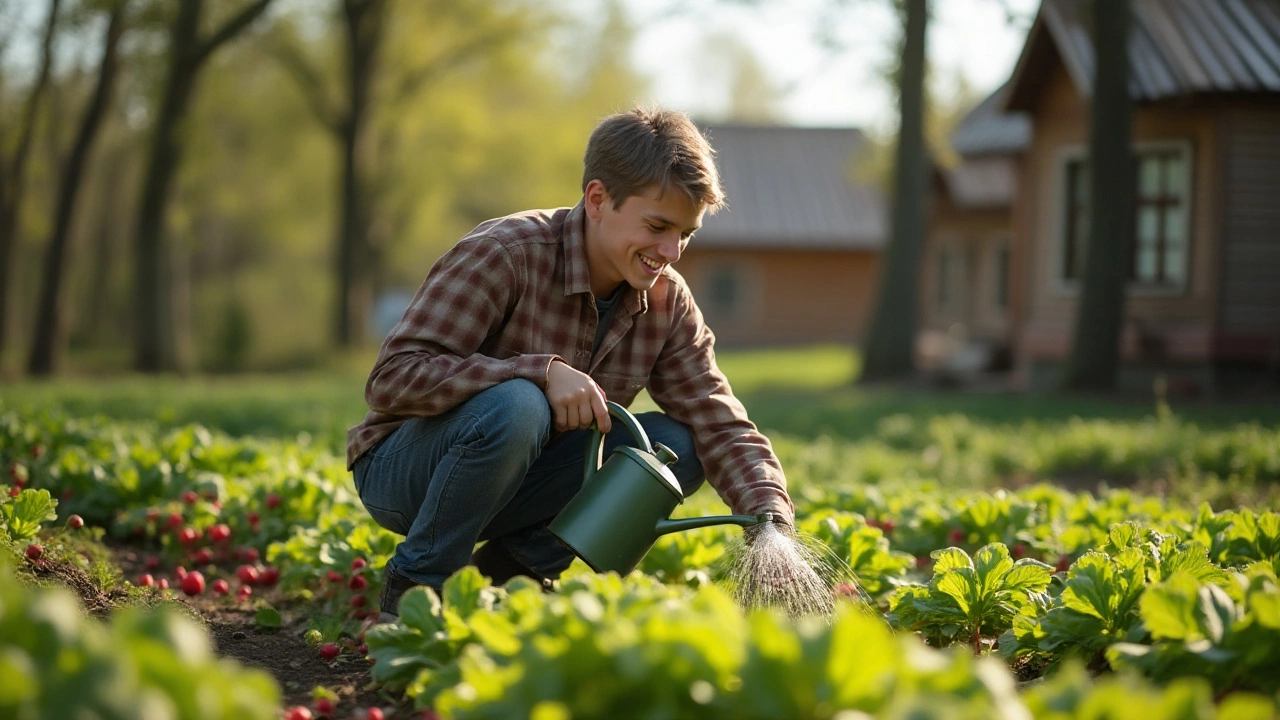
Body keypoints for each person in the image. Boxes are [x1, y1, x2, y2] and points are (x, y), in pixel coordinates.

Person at [346, 107, 796, 620]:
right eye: (657, 226)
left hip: (526, 481)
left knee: (677, 447)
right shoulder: (506, 254)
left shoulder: (668, 302)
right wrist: (536, 370)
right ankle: (415, 590)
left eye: (686, 234)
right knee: (520, 404)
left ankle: (509, 575)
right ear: (598, 199)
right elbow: (392, 379)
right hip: (408, 474)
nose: (671, 251)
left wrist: (770, 513)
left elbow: (718, 421)